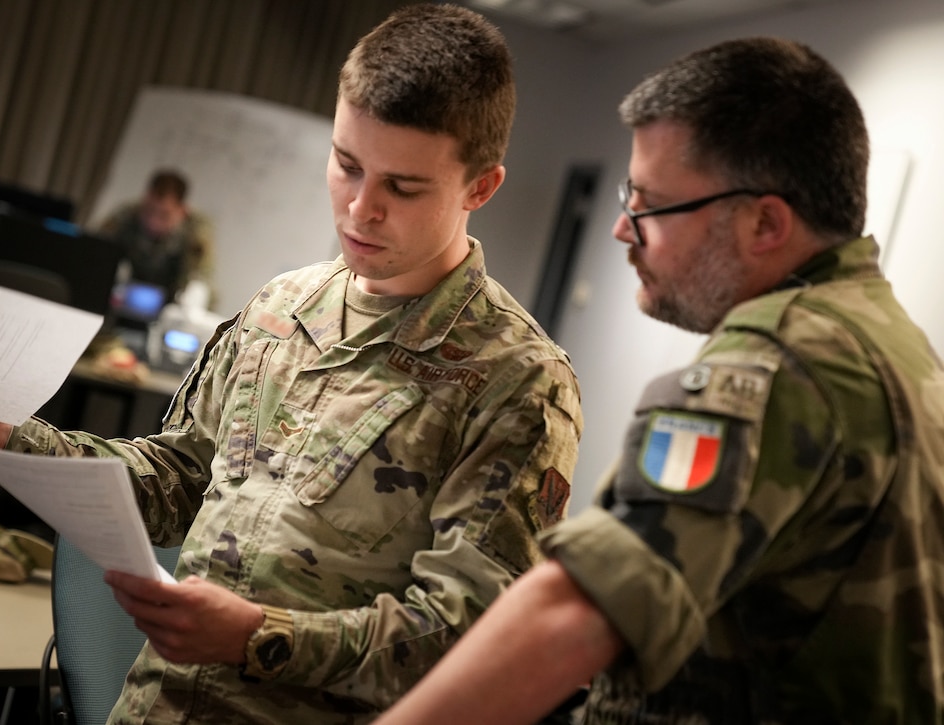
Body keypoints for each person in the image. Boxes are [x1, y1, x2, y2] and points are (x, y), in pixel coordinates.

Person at [0, 4, 584, 723]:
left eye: (402, 187)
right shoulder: (279, 308)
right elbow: (179, 479)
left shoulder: (518, 381)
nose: (359, 208)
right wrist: (12, 439)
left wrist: (260, 638)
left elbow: (467, 640)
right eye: (346, 164)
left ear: (480, 187)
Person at [377, 37, 944, 724]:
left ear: (765, 221)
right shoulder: (888, 343)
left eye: (650, 203)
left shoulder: (777, 364)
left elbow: (581, 607)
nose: (622, 228)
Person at [98, 168, 216, 306]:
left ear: (182, 212)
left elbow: (203, 281)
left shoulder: (196, 233)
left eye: (165, 216)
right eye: (149, 211)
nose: (153, 223)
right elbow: (96, 255)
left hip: (170, 301)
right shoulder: (124, 217)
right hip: (119, 296)